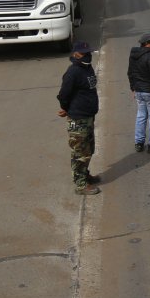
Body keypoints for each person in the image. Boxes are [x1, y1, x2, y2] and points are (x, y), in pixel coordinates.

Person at [56, 41, 101, 195]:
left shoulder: (87, 68)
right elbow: (63, 95)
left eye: (88, 52)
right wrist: (66, 109)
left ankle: (85, 175)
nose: (87, 55)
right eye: (84, 53)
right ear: (76, 54)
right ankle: (80, 184)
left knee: (89, 149)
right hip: (78, 118)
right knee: (80, 152)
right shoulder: (73, 72)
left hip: (88, 117)